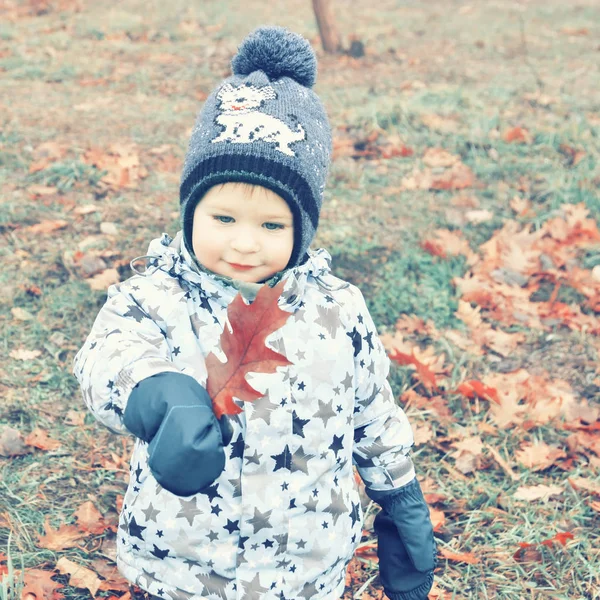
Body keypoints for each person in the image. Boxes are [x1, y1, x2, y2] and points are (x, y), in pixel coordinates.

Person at [73, 26, 436, 600]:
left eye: (271, 226)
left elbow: (372, 407)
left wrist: (399, 493)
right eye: (223, 219)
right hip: (184, 566)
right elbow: (105, 360)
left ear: (303, 228)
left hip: (307, 566)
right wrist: (154, 390)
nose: (244, 244)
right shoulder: (155, 298)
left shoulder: (337, 309)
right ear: (192, 209)